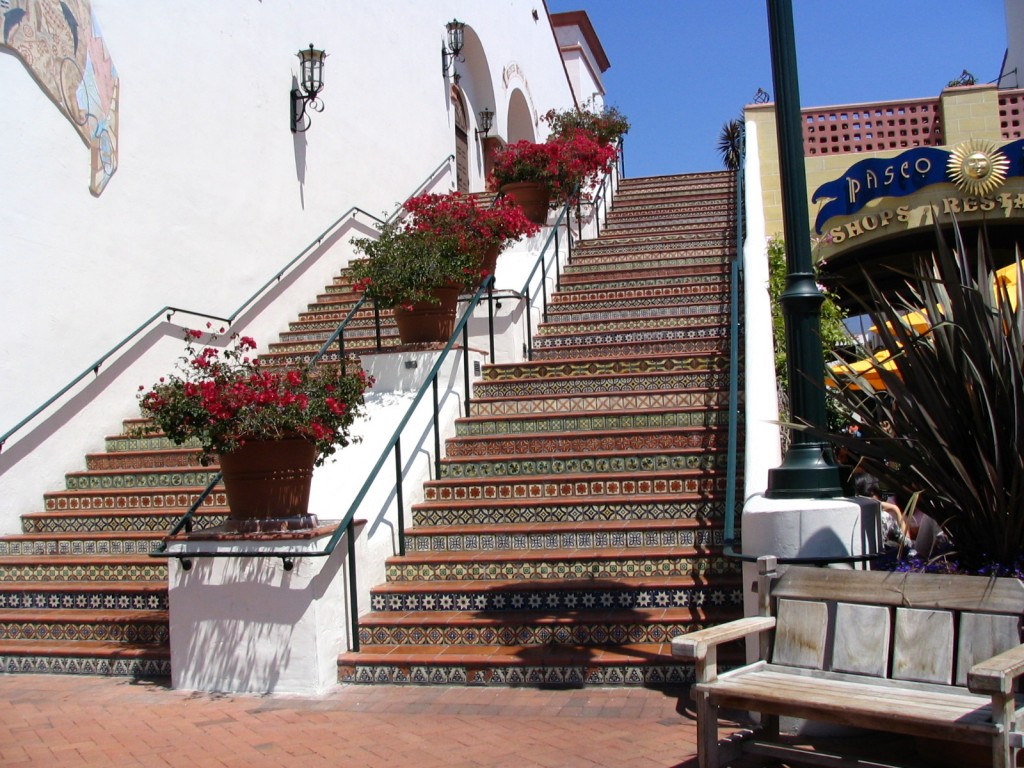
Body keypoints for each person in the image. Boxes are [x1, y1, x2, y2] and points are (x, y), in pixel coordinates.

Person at [853, 472, 915, 559]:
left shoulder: (849, 516)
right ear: (873, 492)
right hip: (878, 567)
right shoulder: (883, 517)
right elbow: (907, 544)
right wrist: (895, 510)